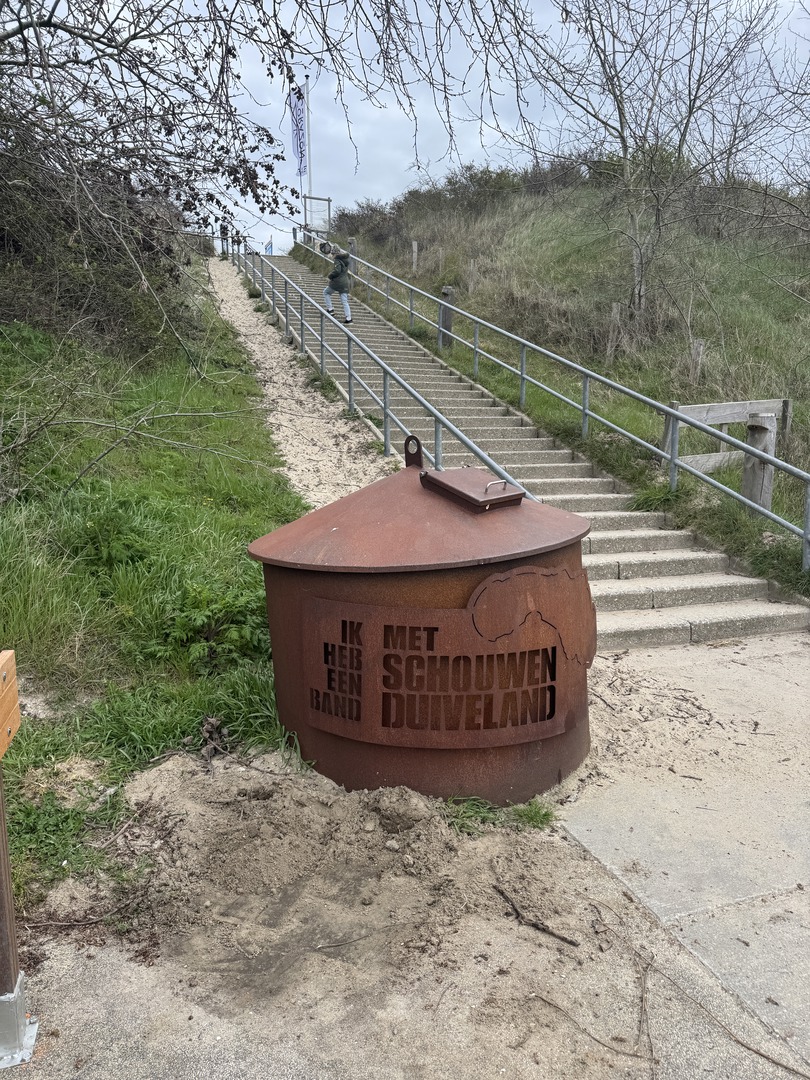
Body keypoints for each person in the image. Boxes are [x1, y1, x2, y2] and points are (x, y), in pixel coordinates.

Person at [320, 242, 352, 323]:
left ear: (335, 253)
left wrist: (330, 276)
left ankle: (330, 309)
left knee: (326, 292)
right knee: (344, 301)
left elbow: (337, 271)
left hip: (337, 282)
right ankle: (348, 318)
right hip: (345, 282)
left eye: (332, 254)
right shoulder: (345, 259)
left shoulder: (337, 260)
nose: (332, 255)